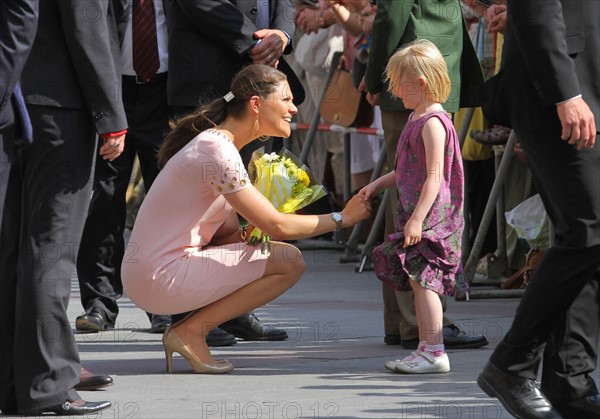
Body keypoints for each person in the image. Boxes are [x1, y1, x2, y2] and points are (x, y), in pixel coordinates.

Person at [121, 64, 371, 373]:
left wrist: (245, 233)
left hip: (153, 273)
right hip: (157, 277)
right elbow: (276, 225)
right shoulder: (218, 150)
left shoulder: (217, 145)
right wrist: (342, 218)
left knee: (279, 257)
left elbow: (225, 233)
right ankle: (190, 331)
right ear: (256, 104)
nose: (294, 108)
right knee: (288, 261)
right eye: (286, 99)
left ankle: (191, 329)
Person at [0, 0, 128, 415]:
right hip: (63, 106)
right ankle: (49, 386)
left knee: (15, 251)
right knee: (49, 250)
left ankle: (14, 383)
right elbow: (85, 27)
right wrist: (111, 115)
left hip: (16, 102)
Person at [476, 0, 600, 418]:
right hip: (559, 87)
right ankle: (511, 363)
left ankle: (570, 381)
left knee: (582, 237)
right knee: (590, 231)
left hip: (583, 82)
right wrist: (565, 92)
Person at [165, 0, 304, 343]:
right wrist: (256, 42)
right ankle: (190, 316)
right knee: (200, 207)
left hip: (256, 85)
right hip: (208, 81)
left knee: (240, 207)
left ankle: (232, 309)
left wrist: (282, 34)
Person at [363, 0, 487, 350]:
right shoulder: (418, 102)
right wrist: (379, 78)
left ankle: (404, 322)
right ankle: (424, 326)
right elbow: (391, 13)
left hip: (422, 68)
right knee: (417, 204)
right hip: (415, 68)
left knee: (408, 200)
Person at [359, 40, 464, 374]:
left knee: (426, 283)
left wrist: (418, 219)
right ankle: (425, 347)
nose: (394, 92)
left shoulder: (433, 122)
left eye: (399, 86)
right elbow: (404, 167)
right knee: (419, 283)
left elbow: (435, 177)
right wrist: (378, 184)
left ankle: (434, 351)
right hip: (417, 215)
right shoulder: (416, 117)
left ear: (420, 84)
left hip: (431, 219)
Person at [75, 0, 173, 335]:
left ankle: (163, 302)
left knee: (163, 205)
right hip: (113, 93)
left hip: (166, 96)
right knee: (104, 199)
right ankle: (99, 303)